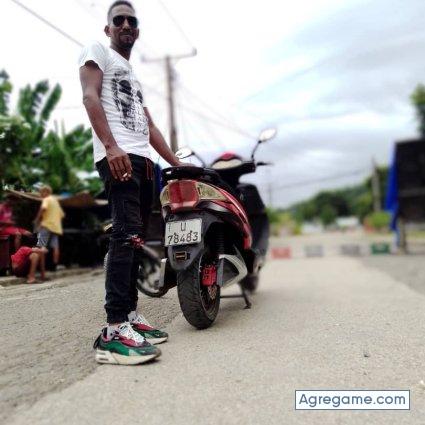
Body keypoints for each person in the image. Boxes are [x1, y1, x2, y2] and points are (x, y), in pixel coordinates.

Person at [79, 0, 185, 365]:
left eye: (131, 20)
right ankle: (112, 331)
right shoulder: (98, 51)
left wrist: (176, 163)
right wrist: (111, 146)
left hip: (143, 162)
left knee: (137, 240)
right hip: (119, 156)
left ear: (137, 30)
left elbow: (149, 125)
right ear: (108, 28)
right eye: (118, 20)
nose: (126, 24)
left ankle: (130, 317)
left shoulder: (131, 74)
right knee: (125, 237)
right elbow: (89, 96)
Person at [34, 186, 65, 267]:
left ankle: (38, 266)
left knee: (41, 245)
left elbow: (43, 208)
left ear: (46, 192)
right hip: (56, 227)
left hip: (46, 225)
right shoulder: (56, 201)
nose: (41, 194)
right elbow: (62, 215)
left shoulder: (46, 199)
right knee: (55, 246)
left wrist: (37, 219)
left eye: (41, 192)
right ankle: (54, 265)